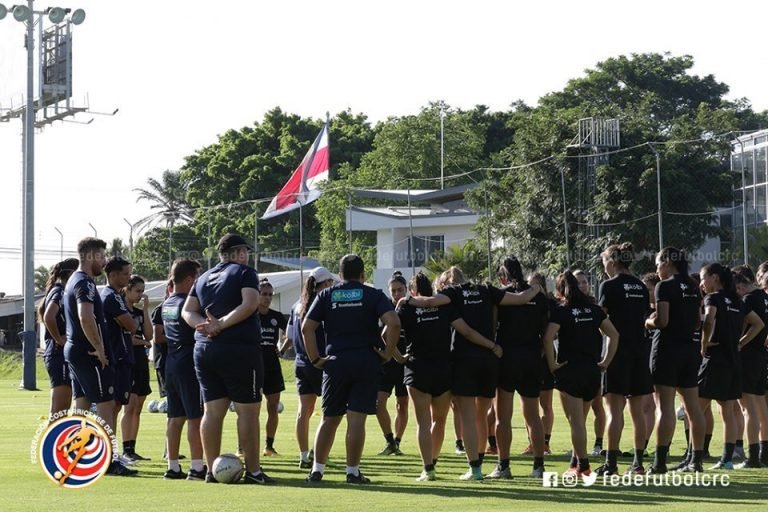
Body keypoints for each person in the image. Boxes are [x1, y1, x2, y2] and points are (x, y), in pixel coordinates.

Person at [404, 265, 544, 480]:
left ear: (447, 283)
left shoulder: (453, 293)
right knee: (482, 416)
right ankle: (515, 465)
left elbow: (432, 303)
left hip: (465, 360)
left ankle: (475, 468)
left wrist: (407, 300)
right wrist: (535, 288)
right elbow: (520, 299)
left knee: (468, 417)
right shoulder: (487, 289)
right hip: (490, 363)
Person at [182, 233, 275, 484]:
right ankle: (254, 472)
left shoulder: (202, 278)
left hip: (204, 350)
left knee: (212, 412)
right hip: (239, 350)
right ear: (241, 252)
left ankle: (212, 471)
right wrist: (220, 324)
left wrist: (204, 326)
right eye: (246, 251)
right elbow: (251, 303)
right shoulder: (245, 273)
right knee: (247, 412)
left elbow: (187, 311)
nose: (248, 256)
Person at [302, 254, 401, 484]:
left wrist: (316, 359)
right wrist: (387, 353)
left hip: (335, 363)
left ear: (340, 274)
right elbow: (394, 322)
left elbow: (307, 327)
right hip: (366, 362)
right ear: (362, 274)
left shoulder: (327, 294)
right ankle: (352, 472)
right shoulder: (373, 294)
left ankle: (317, 471)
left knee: (329, 418)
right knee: (357, 420)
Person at [63, 237, 136, 476]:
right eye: (102, 256)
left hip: (76, 350)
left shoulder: (74, 280)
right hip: (88, 351)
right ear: (92, 256)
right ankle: (108, 460)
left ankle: (77, 456)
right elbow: (86, 316)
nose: (104, 261)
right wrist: (100, 347)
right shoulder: (84, 283)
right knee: (105, 404)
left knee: (82, 404)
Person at [543, 271, 619, 478]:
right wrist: (605, 361)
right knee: (581, 421)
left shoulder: (562, 311)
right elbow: (614, 334)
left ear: (560, 291)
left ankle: (583, 466)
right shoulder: (594, 310)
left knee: (575, 421)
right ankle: (575, 462)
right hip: (592, 372)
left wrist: (552, 364)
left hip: (571, 371)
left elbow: (548, 337)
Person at [645, 247, 706, 474]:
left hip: (667, 351)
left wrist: (648, 322)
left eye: (659, 263)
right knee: (693, 408)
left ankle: (659, 462)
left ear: (668, 262)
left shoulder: (664, 286)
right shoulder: (693, 285)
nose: (657, 268)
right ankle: (696, 460)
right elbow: (698, 322)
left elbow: (662, 320)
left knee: (666, 407)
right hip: (690, 350)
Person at [699, 263, 763, 470]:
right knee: (729, 410)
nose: (701, 283)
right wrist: (739, 343)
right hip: (735, 360)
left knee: (697, 409)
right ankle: (728, 459)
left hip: (716, 358)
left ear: (715, 278)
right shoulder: (738, 301)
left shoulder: (714, 298)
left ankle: (694, 458)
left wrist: (703, 344)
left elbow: (708, 320)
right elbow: (759, 324)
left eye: (703, 278)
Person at [596, 243, 652, 476]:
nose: (604, 268)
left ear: (611, 261)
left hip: (617, 353)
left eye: (604, 263)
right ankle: (637, 463)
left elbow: (601, 320)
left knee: (614, 410)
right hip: (640, 352)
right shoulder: (641, 286)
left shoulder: (608, 286)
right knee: (637, 411)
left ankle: (610, 464)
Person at [491, 258, 549, 479]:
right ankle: (538, 467)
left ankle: (503, 466)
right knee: (533, 416)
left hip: (507, 358)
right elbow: (546, 333)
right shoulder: (540, 297)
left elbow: (493, 326)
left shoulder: (501, 295)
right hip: (532, 358)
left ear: (503, 275)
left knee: (503, 417)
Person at [285, 267, 337, 469]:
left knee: (303, 412)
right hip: (319, 361)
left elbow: (290, 335)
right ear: (324, 284)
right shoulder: (323, 304)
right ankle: (319, 454)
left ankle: (304, 455)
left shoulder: (296, 304)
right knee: (328, 411)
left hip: (300, 362)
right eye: (330, 283)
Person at [163, 258, 205, 480]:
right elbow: (200, 326)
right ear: (190, 279)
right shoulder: (187, 305)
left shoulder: (167, 303)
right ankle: (197, 467)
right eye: (197, 278)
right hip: (188, 362)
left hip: (171, 362)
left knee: (174, 417)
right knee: (195, 416)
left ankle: (172, 466)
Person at [733, 266, 768, 467]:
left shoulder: (748, 300)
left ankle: (753, 456)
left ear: (739, 287)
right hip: (761, 357)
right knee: (760, 406)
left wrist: (739, 343)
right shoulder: (764, 297)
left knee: (748, 408)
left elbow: (752, 325)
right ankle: (763, 453)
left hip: (748, 357)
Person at [39, 258, 79, 418]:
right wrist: (58, 338)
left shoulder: (63, 292)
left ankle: (59, 442)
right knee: (59, 409)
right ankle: (50, 443)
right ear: (70, 273)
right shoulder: (59, 291)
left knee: (63, 408)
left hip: (62, 354)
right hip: (57, 354)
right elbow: (49, 317)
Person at [574, 269, 607, 456]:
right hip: (576, 365)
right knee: (578, 411)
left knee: (597, 405)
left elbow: (608, 333)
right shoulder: (567, 307)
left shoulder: (596, 308)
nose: (583, 285)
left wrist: (603, 359)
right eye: (578, 282)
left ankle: (598, 444)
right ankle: (579, 445)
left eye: (585, 282)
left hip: (595, 363)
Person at [376, 271, 410, 456]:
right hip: (388, 362)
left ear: (406, 290)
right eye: (394, 291)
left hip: (406, 364)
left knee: (402, 404)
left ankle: (397, 441)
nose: (397, 294)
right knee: (379, 403)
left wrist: (404, 358)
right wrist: (396, 355)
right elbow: (384, 337)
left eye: (400, 290)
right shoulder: (385, 310)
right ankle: (389, 440)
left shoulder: (410, 307)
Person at [121, 274, 153, 462]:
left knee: (138, 406)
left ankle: (132, 447)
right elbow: (125, 338)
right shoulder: (121, 311)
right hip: (128, 360)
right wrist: (141, 341)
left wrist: (146, 309)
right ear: (128, 289)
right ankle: (126, 448)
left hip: (141, 360)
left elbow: (149, 335)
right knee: (130, 406)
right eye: (138, 291)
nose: (141, 295)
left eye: (143, 291)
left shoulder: (139, 313)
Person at [256, 277, 288, 457]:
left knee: (273, 406)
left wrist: (282, 350)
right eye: (263, 294)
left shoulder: (276, 317)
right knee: (250, 409)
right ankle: (242, 447)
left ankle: (269, 446)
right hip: (253, 365)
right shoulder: (250, 314)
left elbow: (291, 334)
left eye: (269, 294)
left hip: (272, 365)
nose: (267, 297)